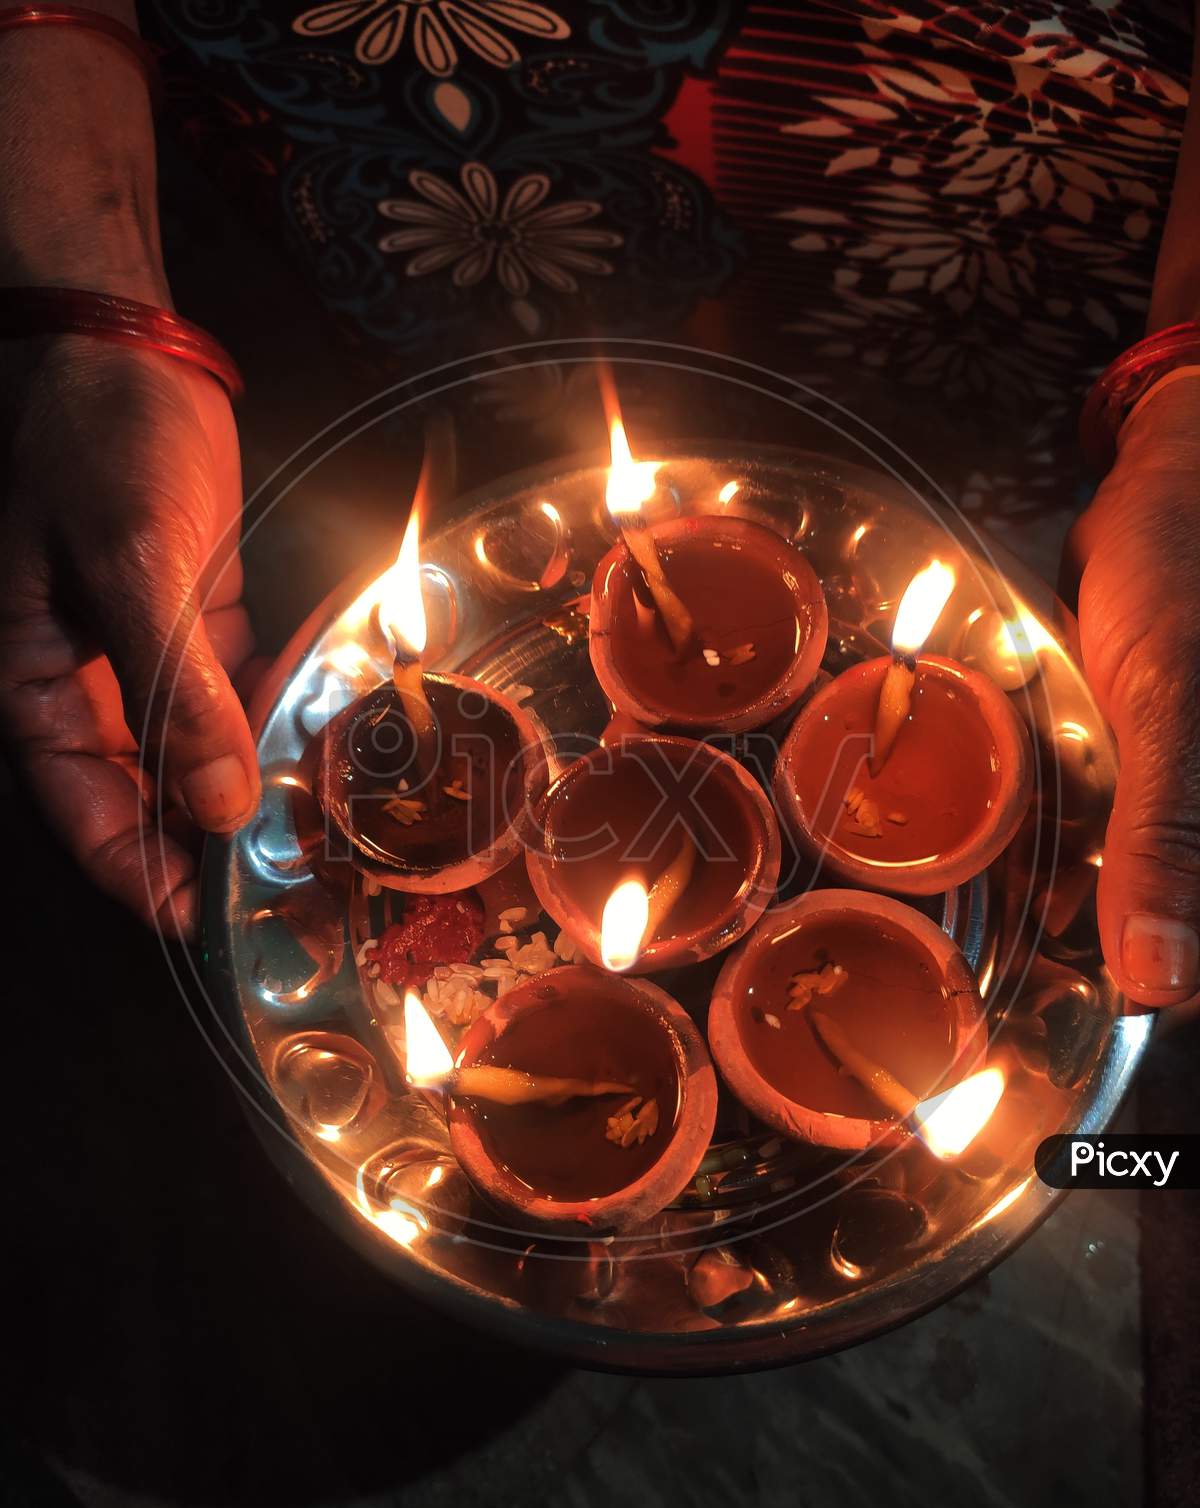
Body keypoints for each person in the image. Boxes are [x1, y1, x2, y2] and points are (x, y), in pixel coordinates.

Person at [0, 0, 1197, 1009]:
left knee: (980, 465)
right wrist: (84, 280)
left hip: (989, 167)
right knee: (492, 395)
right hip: (399, 129)